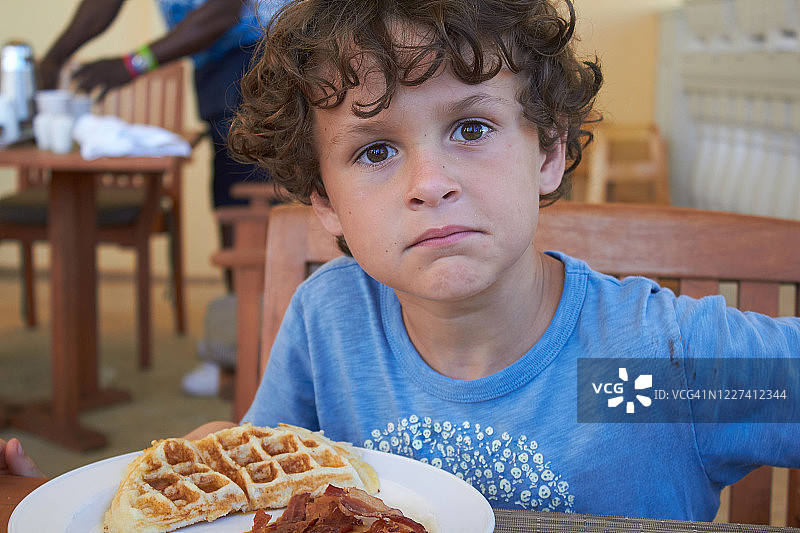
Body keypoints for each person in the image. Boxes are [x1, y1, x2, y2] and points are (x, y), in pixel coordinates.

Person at [7, 0, 800, 522]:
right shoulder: (334, 319)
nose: (431, 184)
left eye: (472, 129)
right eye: (377, 148)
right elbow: (257, 475)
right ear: (324, 201)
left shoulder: (642, 368)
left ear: (550, 149)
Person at [38, 0, 287, 396]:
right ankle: (239, 349)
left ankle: (264, 357)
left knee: (253, 213)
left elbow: (222, 10)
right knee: (230, 203)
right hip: (222, 70)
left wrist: (131, 64)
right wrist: (53, 57)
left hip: (269, 58)